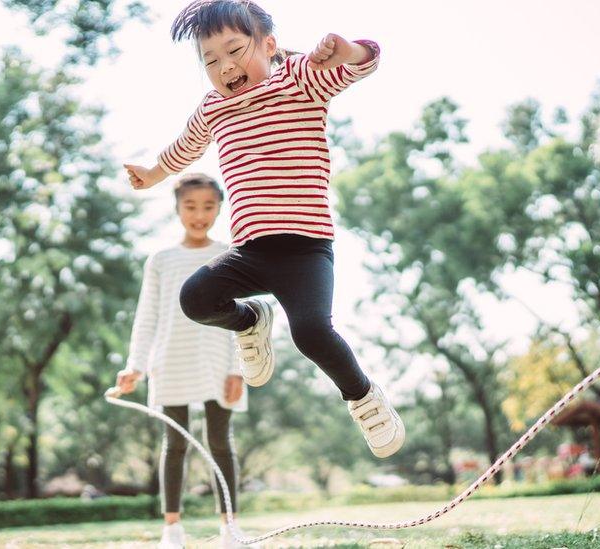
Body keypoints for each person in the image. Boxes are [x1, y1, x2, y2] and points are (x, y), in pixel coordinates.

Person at [123, 0, 404, 460]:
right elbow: (186, 146)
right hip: (251, 250)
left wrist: (345, 50)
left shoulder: (298, 78)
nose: (225, 66)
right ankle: (251, 320)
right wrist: (154, 174)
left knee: (311, 331)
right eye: (210, 60)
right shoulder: (214, 108)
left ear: (268, 45)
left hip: (306, 250)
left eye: (234, 50)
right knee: (196, 298)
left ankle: (364, 397)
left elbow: (365, 62)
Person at [115, 173, 247, 549]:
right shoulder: (161, 259)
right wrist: (135, 366)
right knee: (175, 442)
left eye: (208, 206)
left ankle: (229, 528)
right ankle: (172, 529)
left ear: (221, 207)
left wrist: (239, 367)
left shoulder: (230, 254)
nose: (199, 214)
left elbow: (246, 313)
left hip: (218, 358)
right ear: (177, 208)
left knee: (221, 441)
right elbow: (148, 316)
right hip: (171, 358)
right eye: (190, 206)